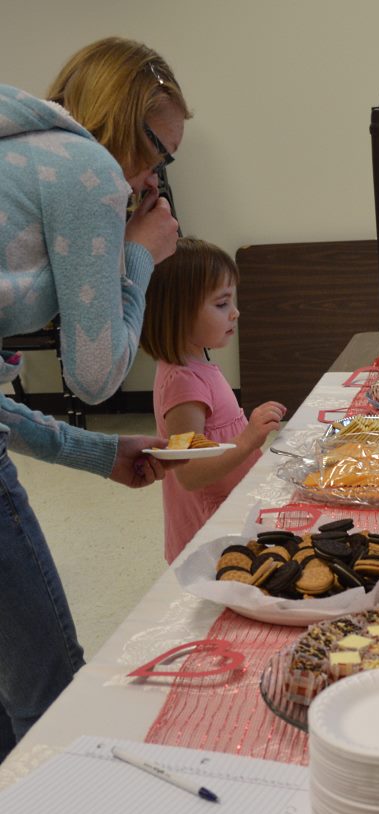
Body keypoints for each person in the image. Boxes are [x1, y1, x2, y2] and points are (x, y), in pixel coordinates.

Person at [0, 38, 190, 760]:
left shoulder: (22, 154)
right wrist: (141, 253)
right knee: (50, 690)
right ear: (125, 119)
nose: (152, 179)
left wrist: (97, 452)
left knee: (12, 685)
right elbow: (97, 375)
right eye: (159, 154)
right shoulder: (86, 169)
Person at [140, 238, 286, 563]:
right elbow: (189, 472)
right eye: (221, 304)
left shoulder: (196, 366)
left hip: (229, 511)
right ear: (178, 314)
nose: (235, 312)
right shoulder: (183, 384)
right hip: (210, 533)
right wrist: (248, 439)